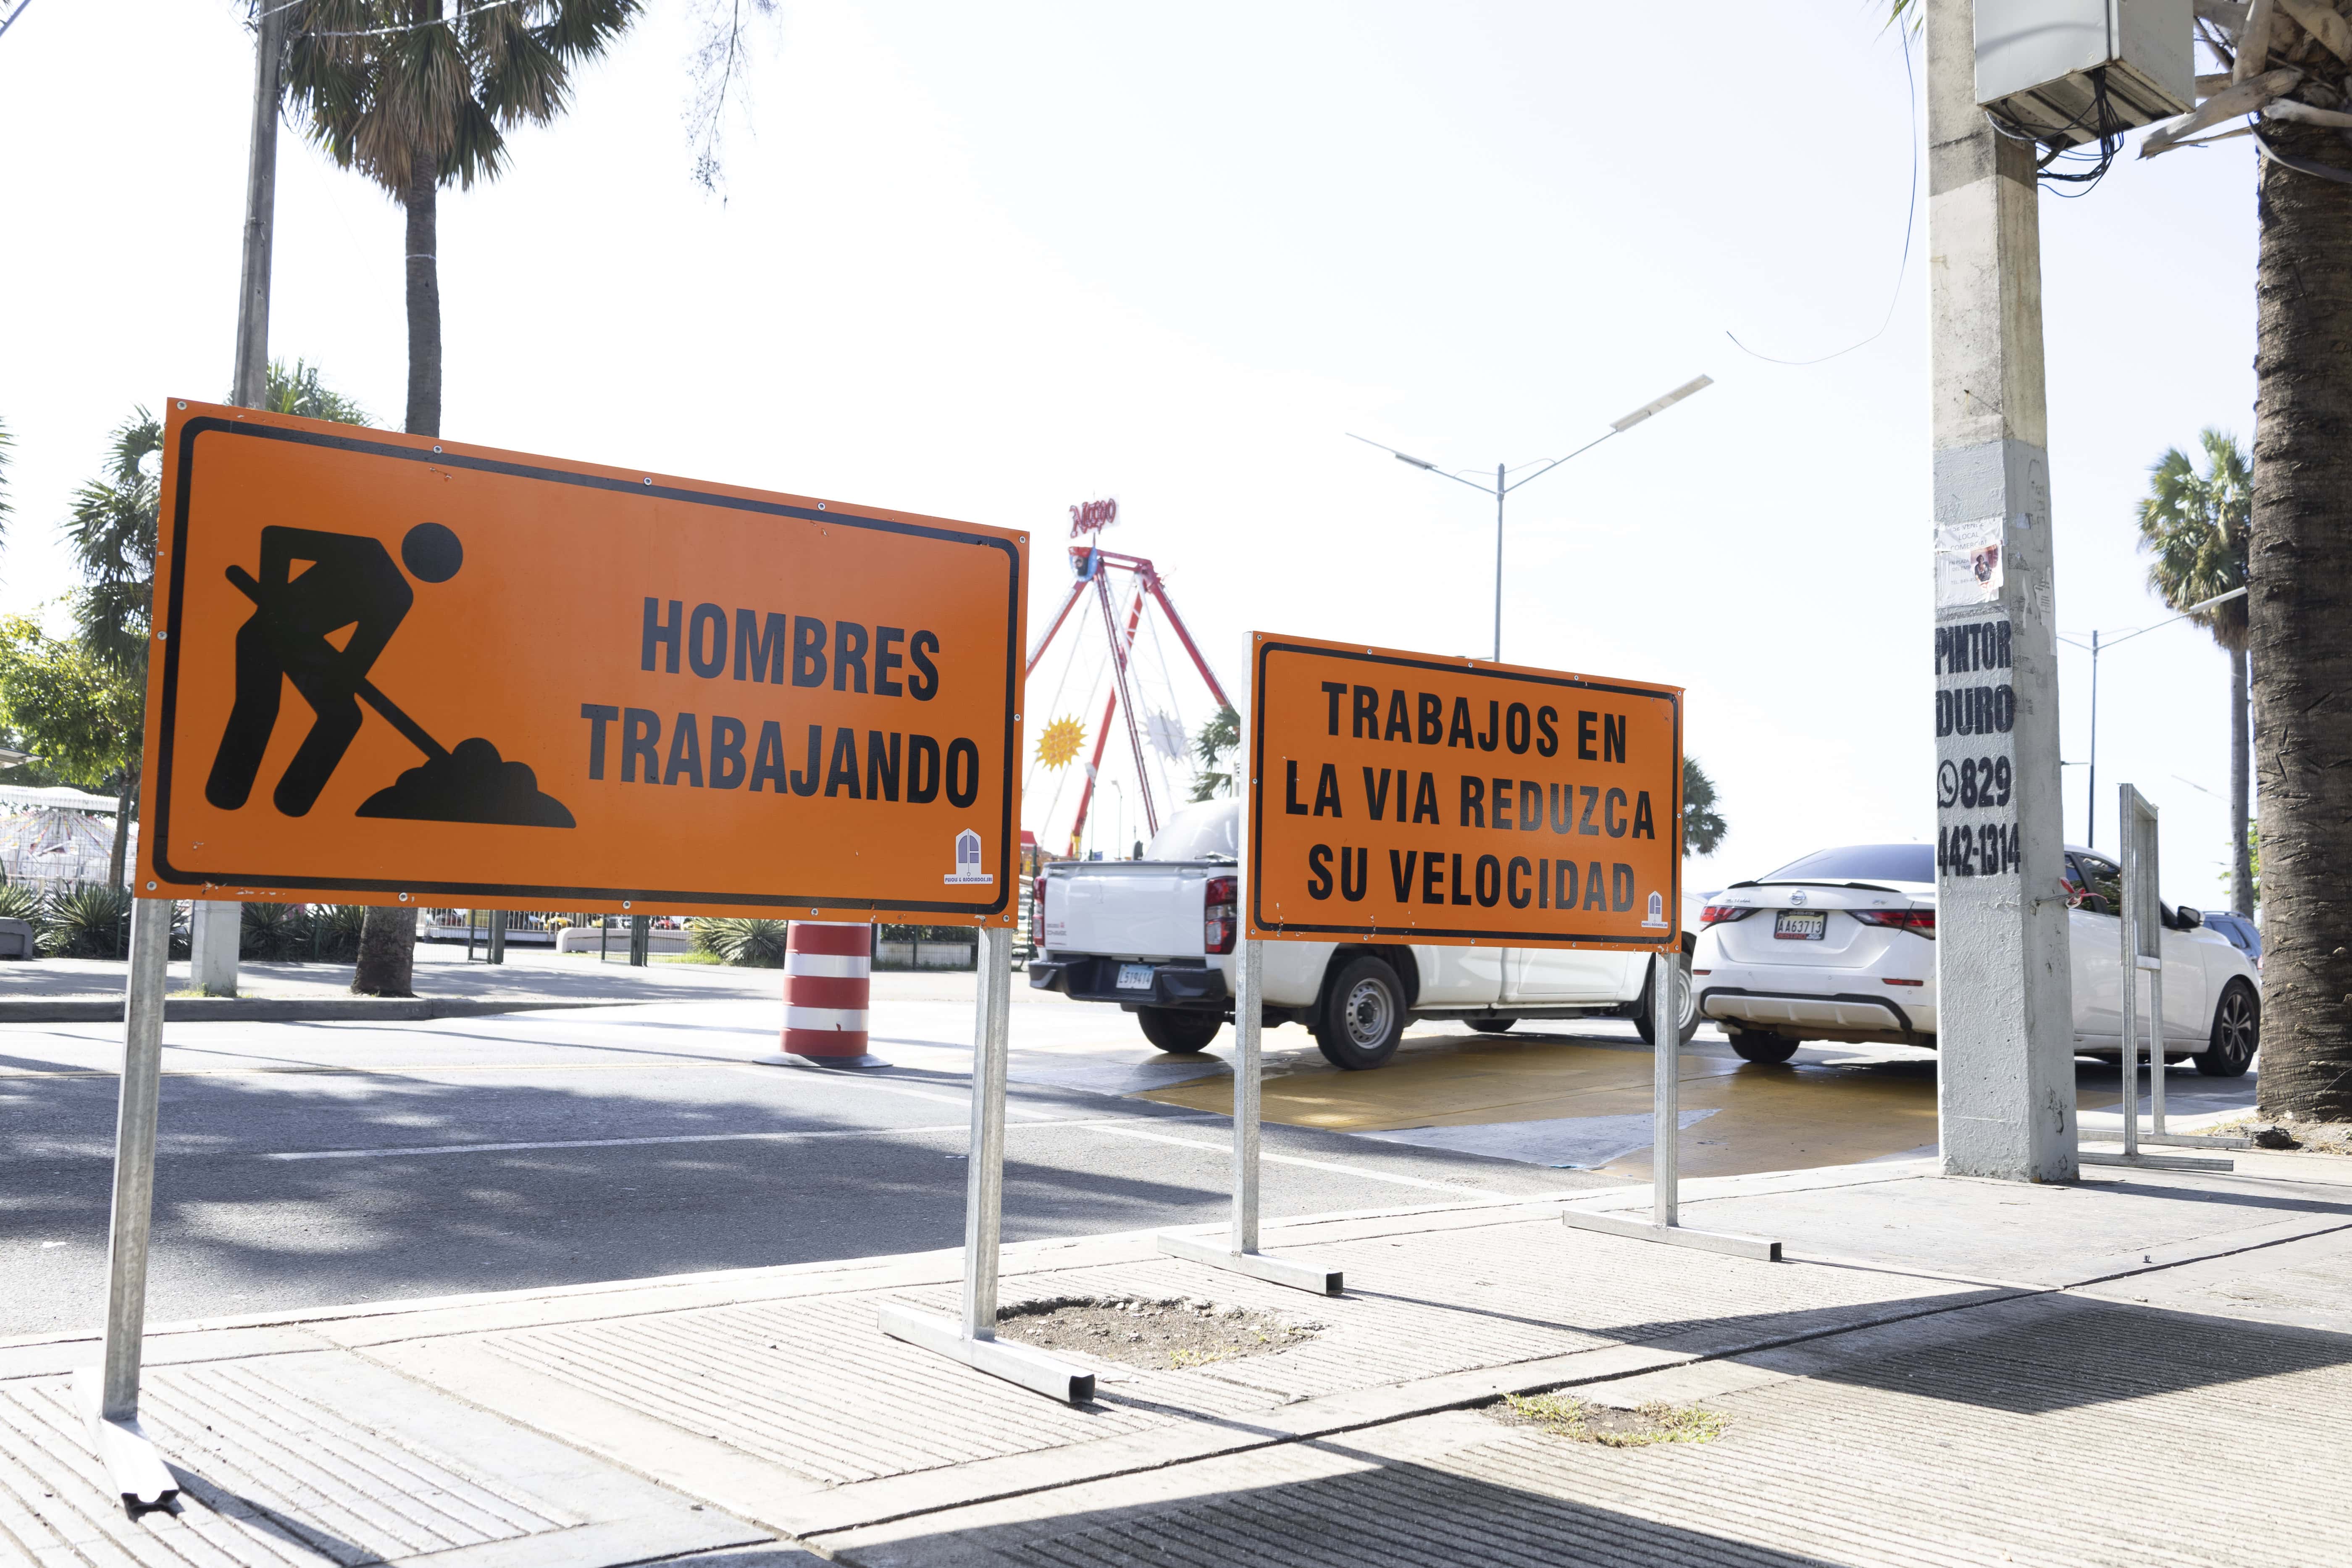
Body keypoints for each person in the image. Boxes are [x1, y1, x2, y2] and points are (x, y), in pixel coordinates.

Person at [206, 522, 461, 817]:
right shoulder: (367, 553)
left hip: (306, 650)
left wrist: (342, 683)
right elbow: (278, 538)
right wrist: (273, 607)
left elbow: (356, 660)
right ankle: (227, 794)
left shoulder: (399, 597)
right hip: (263, 634)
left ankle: (292, 801)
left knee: (343, 716)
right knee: (260, 705)